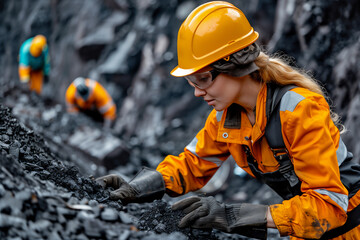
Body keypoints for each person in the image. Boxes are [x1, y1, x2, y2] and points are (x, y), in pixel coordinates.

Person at [96, 1, 360, 239]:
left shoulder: (299, 110)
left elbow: (328, 207)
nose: (198, 92)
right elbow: (192, 163)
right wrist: (138, 187)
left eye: (204, 79)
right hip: (311, 230)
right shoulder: (226, 117)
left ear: (235, 65)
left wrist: (232, 215)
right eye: (191, 82)